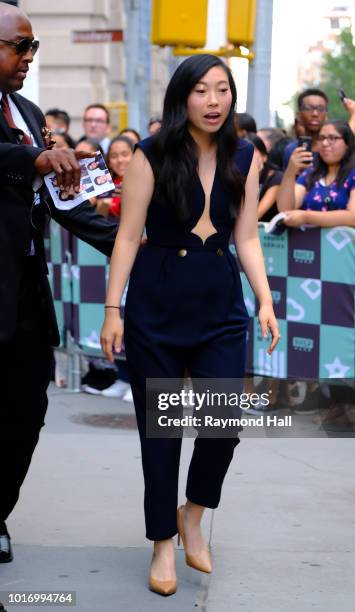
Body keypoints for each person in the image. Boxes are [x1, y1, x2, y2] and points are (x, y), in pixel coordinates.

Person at [100, 53, 279, 596]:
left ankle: (193, 513)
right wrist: (114, 310)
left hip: (221, 309)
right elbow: (128, 236)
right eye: (202, 90)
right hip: (157, 309)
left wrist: (265, 300)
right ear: (183, 97)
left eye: (222, 90)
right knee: (161, 434)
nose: (213, 101)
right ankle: (161, 543)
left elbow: (247, 234)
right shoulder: (151, 155)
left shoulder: (243, 154)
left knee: (223, 425)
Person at [0, 2, 118, 564]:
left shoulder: (25, 109)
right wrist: (36, 160)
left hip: (23, 291)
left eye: (33, 48)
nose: (28, 57)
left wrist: (129, 242)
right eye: (19, 46)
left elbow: (61, 198)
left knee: (26, 407)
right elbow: (25, 164)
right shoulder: (23, 134)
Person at [278, 120, 355, 426]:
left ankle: (352, 403)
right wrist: (291, 172)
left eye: (334, 138)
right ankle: (332, 401)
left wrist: (308, 216)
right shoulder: (312, 174)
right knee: (320, 334)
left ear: (348, 142)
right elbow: (285, 208)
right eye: (322, 138)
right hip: (311, 271)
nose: (327, 143)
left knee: (349, 332)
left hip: (347, 269)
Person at [283, 88, 355, 169]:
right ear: (299, 115)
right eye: (308, 108)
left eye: (320, 109)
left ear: (326, 116)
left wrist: (354, 113)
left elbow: (348, 135)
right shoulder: (292, 150)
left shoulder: (333, 146)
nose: (315, 114)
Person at [244, 132, 282, 222]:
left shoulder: (276, 178)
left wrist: (253, 177)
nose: (246, 155)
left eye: (252, 150)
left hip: (268, 233)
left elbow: (256, 215)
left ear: (264, 157)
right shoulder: (235, 177)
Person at [96, 135, 134, 217]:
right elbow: (100, 218)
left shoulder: (145, 181)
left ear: (134, 156)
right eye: (114, 156)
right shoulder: (105, 183)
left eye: (125, 154)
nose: (120, 160)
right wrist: (105, 203)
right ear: (109, 162)